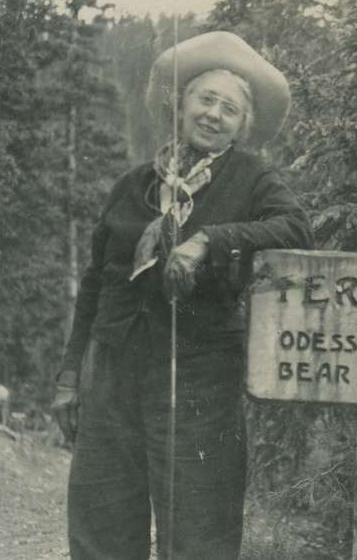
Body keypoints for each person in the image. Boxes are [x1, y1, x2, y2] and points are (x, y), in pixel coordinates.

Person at [52, 31, 313, 560]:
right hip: (114, 375)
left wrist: (210, 241)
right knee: (101, 526)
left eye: (230, 109)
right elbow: (97, 282)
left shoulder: (251, 179)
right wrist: (69, 376)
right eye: (205, 99)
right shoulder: (135, 185)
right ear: (182, 105)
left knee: (199, 534)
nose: (214, 115)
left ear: (243, 125)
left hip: (200, 380)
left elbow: (296, 231)